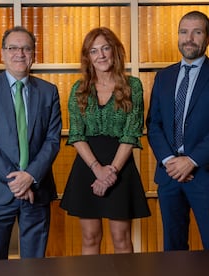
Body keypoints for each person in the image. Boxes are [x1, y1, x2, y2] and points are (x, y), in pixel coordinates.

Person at [146, 11, 209, 251]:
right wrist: (170, 161)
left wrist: (191, 161)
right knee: (173, 249)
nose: (189, 38)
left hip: (207, 175)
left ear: (207, 38)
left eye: (197, 32)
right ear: (178, 36)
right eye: (184, 32)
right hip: (169, 176)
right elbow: (153, 124)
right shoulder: (163, 77)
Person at [0, 26, 62, 260]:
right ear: (2, 53)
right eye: (13, 48)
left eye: (26, 48)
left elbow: (52, 140)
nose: (19, 53)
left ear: (34, 54)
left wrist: (30, 176)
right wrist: (16, 180)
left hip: (37, 188)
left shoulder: (49, 92)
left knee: (34, 263)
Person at [60, 27, 150, 255]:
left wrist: (110, 173)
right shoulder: (79, 90)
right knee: (90, 237)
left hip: (120, 167)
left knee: (121, 238)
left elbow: (131, 133)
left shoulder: (133, 86)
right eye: (93, 51)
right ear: (87, 57)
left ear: (115, 51)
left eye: (105, 48)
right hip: (87, 166)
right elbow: (77, 135)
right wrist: (97, 169)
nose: (100, 55)